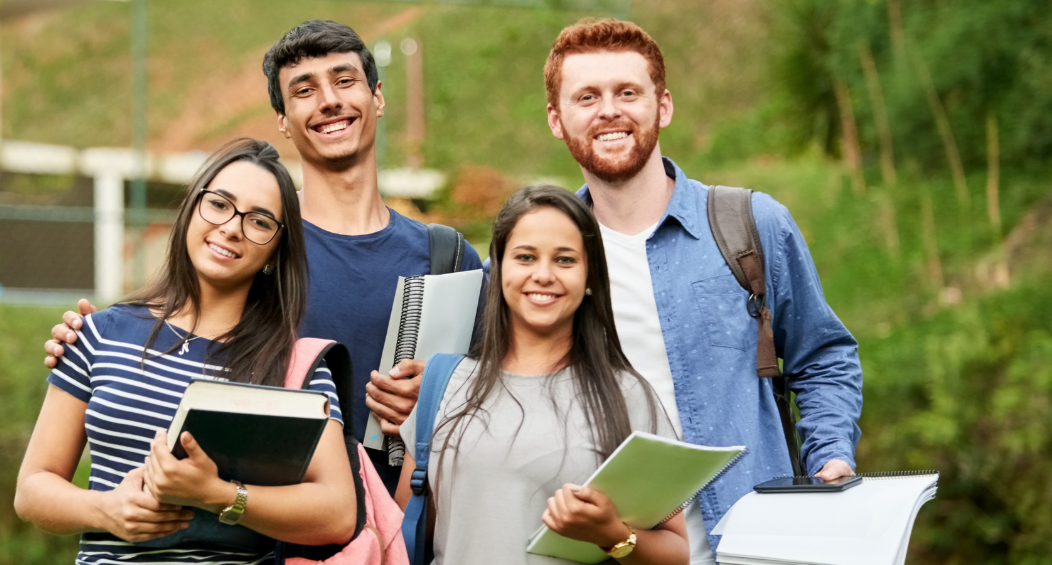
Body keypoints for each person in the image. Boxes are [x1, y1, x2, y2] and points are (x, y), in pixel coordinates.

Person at [43, 19, 483, 492]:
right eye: (304, 90)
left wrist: (441, 396)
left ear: (377, 95)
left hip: (410, 534)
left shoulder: (449, 257)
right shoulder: (252, 245)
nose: (329, 100)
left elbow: (506, 394)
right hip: (263, 537)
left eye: (344, 80)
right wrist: (93, 338)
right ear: (283, 120)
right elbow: (171, 338)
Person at [541, 18, 863, 562]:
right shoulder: (536, 259)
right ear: (557, 119)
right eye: (587, 96)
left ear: (662, 106)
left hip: (760, 540)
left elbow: (822, 356)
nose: (609, 111)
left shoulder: (751, 224)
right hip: (612, 551)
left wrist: (830, 454)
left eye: (628, 92)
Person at [15, 138, 356, 564]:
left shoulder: (297, 368)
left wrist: (217, 496)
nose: (232, 227)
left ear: (276, 250)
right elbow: (32, 488)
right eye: (219, 204)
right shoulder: (100, 333)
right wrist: (107, 510)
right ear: (191, 208)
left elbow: (338, 513)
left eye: (260, 221)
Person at [397, 185, 688, 565]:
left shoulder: (627, 395)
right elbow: (406, 533)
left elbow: (677, 552)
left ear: (589, 278)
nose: (544, 275)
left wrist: (612, 536)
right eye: (525, 257)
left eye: (565, 260)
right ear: (499, 268)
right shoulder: (444, 385)